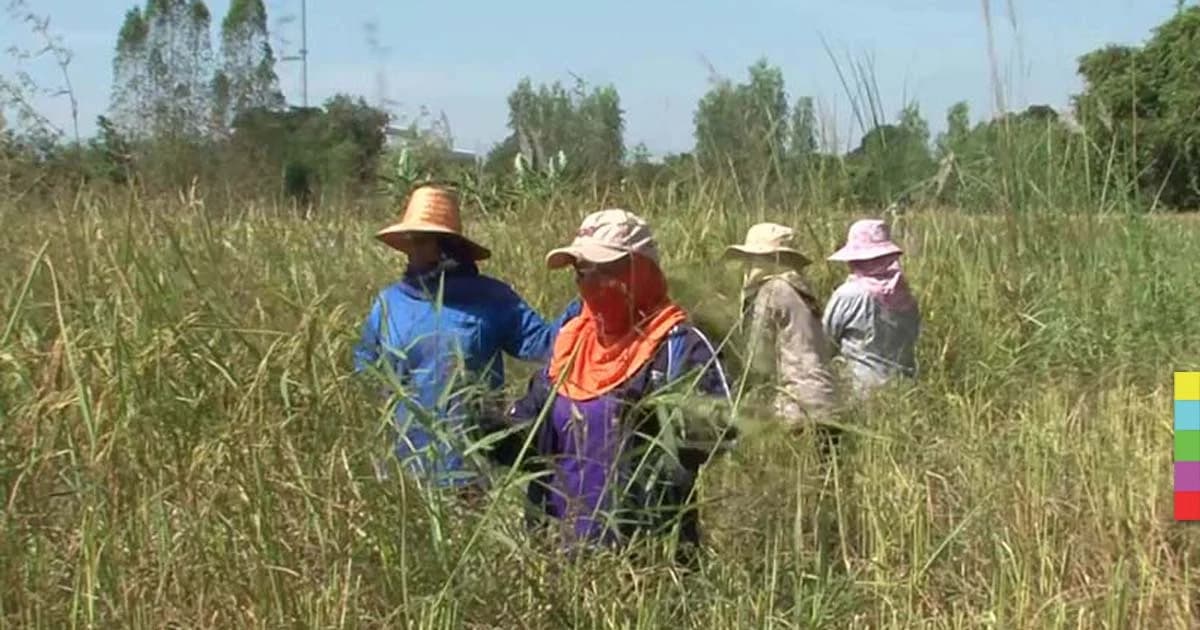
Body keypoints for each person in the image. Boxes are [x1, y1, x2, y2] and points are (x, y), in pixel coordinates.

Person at [505, 209, 737, 565]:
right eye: (581, 271)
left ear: (640, 272)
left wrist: (661, 426)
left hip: (646, 560)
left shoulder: (679, 346)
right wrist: (495, 431)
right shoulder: (573, 342)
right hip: (558, 552)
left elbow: (720, 431)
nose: (590, 283)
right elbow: (532, 425)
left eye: (605, 270)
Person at [353, 184, 578, 497]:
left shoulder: (491, 298)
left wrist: (587, 301)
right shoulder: (389, 302)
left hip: (471, 461)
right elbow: (366, 364)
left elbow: (543, 344)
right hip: (406, 465)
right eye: (409, 242)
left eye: (421, 241)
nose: (412, 251)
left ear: (447, 246)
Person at [724, 222, 837, 444]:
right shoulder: (801, 289)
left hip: (797, 407)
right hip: (827, 401)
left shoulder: (771, 291)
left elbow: (758, 357)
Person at [822, 218, 920, 399]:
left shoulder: (849, 294)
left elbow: (825, 341)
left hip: (861, 390)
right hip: (905, 389)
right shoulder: (904, 292)